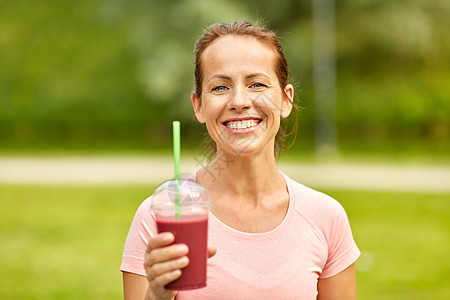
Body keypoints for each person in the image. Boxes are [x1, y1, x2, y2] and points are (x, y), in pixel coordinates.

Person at [121, 21, 360, 300]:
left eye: (256, 84)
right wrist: (158, 295)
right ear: (198, 105)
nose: (239, 101)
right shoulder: (160, 216)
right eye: (220, 87)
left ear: (285, 100)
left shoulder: (325, 217)